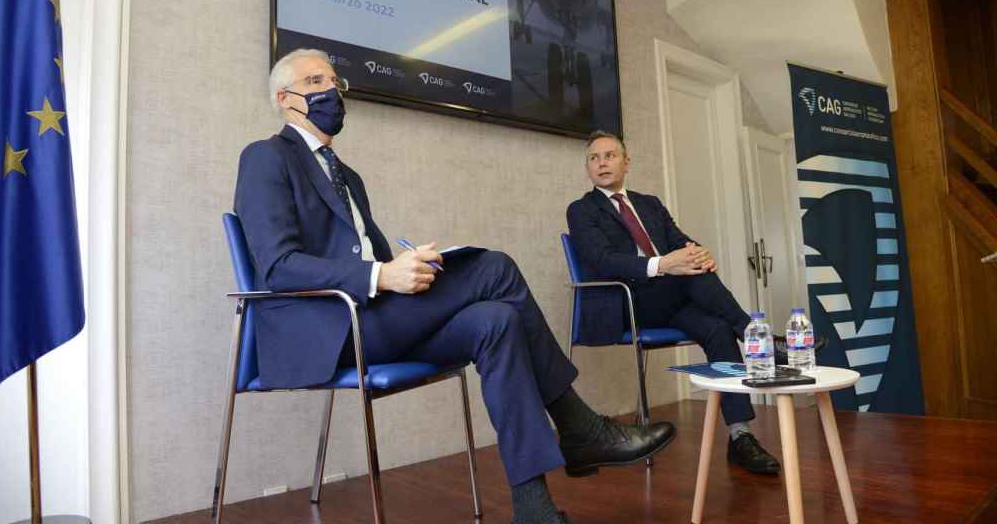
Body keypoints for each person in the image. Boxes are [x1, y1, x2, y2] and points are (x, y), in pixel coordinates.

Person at [233, 49, 676, 524]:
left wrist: (407, 267)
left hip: (376, 314)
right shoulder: (265, 157)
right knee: (497, 268)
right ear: (285, 98)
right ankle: (578, 426)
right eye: (317, 80)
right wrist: (382, 275)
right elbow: (279, 266)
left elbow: (368, 257)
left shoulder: (348, 177)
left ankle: (534, 508)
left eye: (335, 81)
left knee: (497, 319)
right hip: (332, 328)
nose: (333, 90)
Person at [565, 131, 781, 476]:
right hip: (627, 300)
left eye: (610, 155)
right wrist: (666, 264)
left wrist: (699, 251)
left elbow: (681, 241)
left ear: (626, 162)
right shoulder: (581, 210)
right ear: (588, 168)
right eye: (594, 158)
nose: (602, 163)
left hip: (669, 296)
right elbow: (602, 261)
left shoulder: (649, 203)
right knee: (692, 274)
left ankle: (741, 438)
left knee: (716, 328)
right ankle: (761, 342)